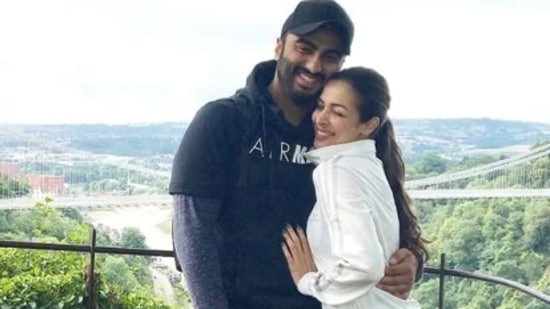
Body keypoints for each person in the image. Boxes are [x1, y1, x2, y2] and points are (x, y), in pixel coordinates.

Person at [169, 1, 423, 308]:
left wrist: (411, 261)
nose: (315, 65)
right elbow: (193, 234)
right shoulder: (224, 121)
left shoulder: (346, 133)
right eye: (305, 48)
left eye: (330, 56)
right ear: (279, 47)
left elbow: (391, 210)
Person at [282, 67, 428, 308]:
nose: (321, 118)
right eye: (320, 106)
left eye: (337, 112)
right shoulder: (369, 166)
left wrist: (308, 281)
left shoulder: (336, 170)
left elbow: (363, 265)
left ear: (368, 125)